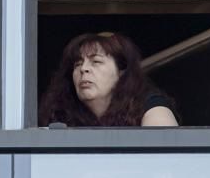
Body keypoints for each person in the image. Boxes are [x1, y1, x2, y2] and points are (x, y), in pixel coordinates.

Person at [39, 31, 178, 127]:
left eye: (96, 62)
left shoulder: (150, 106)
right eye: (78, 64)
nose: (83, 69)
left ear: (122, 71)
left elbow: (165, 162)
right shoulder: (62, 115)